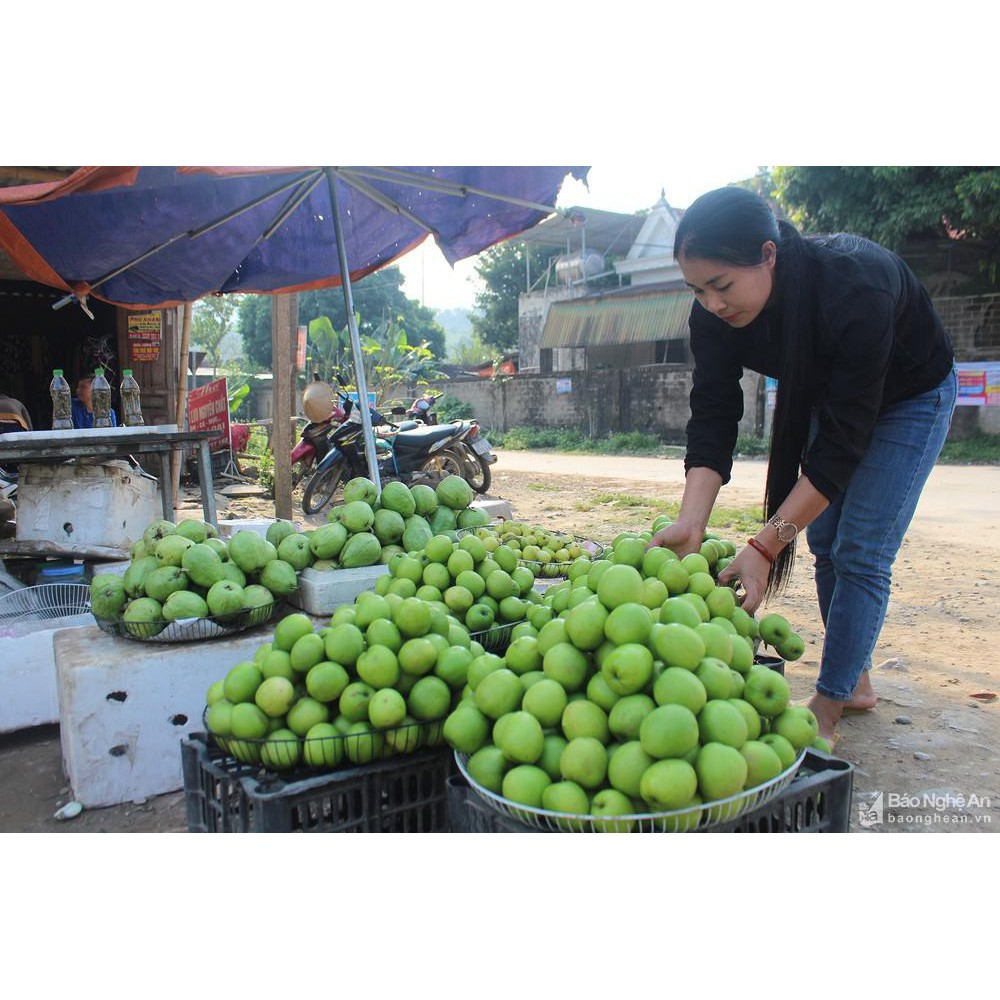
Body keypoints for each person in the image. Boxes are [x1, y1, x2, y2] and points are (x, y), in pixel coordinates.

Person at [647, 187, 957, 746]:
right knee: (825, 542)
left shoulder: (853, 287)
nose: (712, 304)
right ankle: (856, 677)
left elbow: (841, 449)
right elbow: (713, 413)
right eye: (697, 289)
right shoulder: (713, 314)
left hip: (911, 397)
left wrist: (765, 546)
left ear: (768, 255)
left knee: (860, 548)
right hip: (829, 395)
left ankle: (832, 702)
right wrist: (692, 521)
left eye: (721, 286)